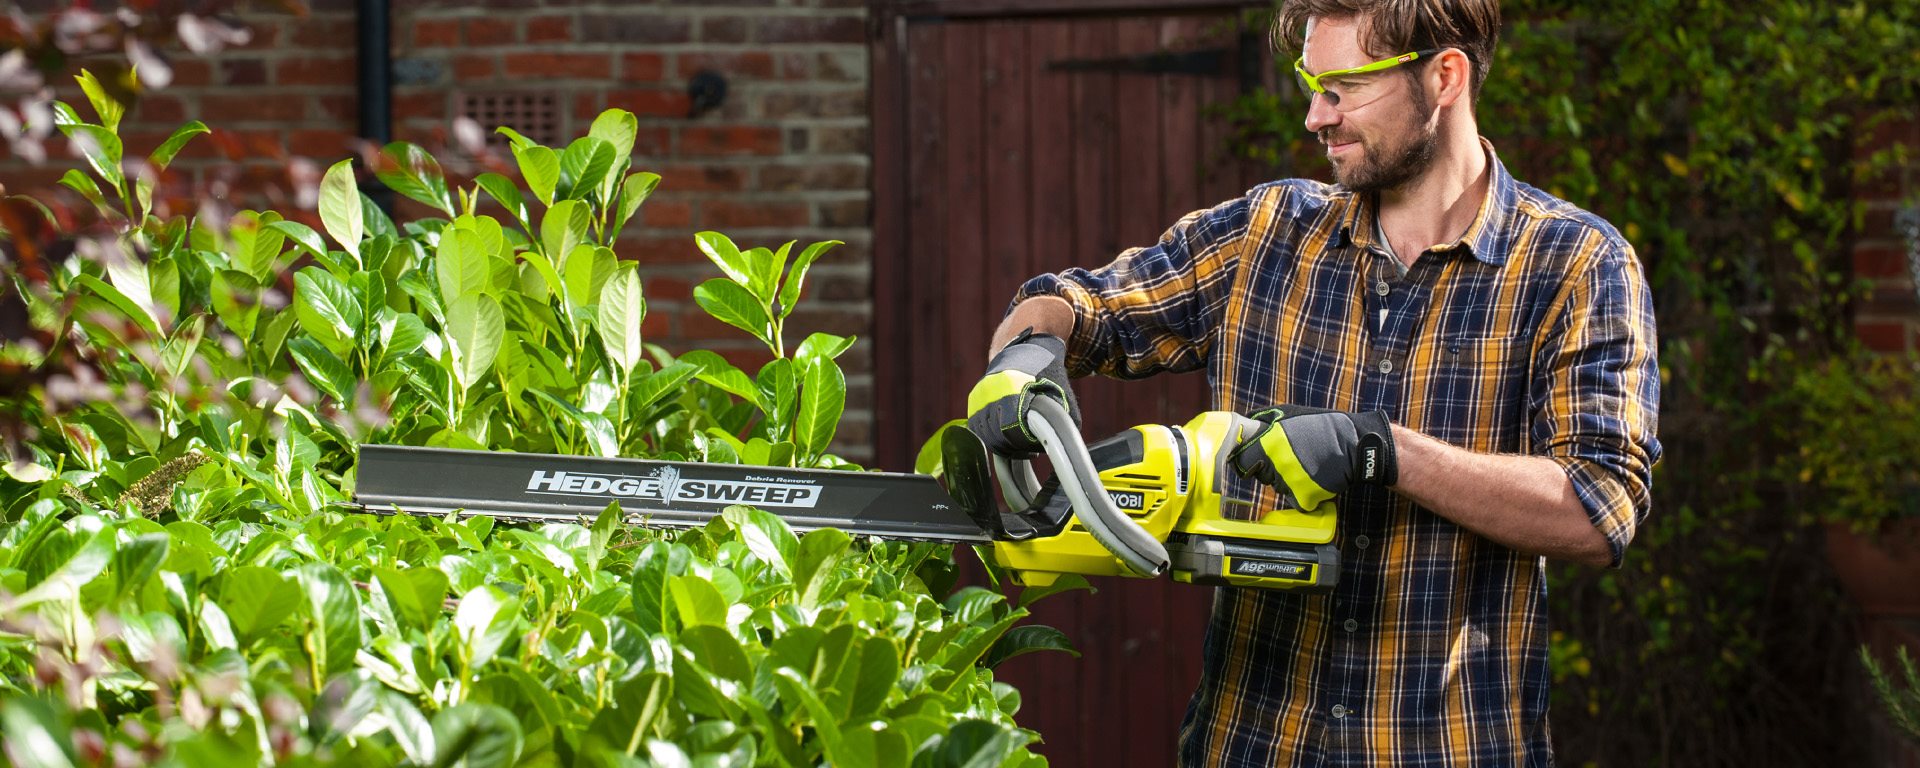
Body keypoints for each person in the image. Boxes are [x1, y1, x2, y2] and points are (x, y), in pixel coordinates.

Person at [963, 0, 1662, 765]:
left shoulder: (1575, 265)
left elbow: (1601, 508)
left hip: (1451, 746)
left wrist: (1382, 451)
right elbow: (1081, 304)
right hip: (1253, 743)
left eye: (1341, 88)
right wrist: (1023, 356)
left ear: (1445, 76)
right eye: (1310, 85)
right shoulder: (1266, 235)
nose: (1314, 117)